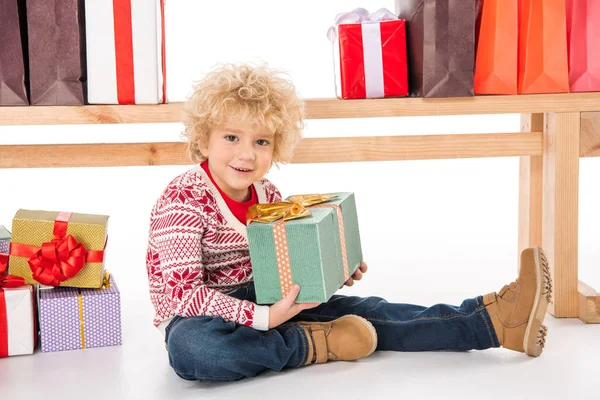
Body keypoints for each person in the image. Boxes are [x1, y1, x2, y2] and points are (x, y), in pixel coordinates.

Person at [145, 63, 553, 382]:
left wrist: (330, 268)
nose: (246, 155)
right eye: (231, 138)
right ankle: (314, 343)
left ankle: (492, 321)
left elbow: (283, 261)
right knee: (195, 350)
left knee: (369, 311)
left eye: (261, 141)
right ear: (203, 140)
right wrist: (267, 319)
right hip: (199, 316)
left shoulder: (268, 195)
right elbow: (184, 294)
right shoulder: (182, 200)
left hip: (268, 299)